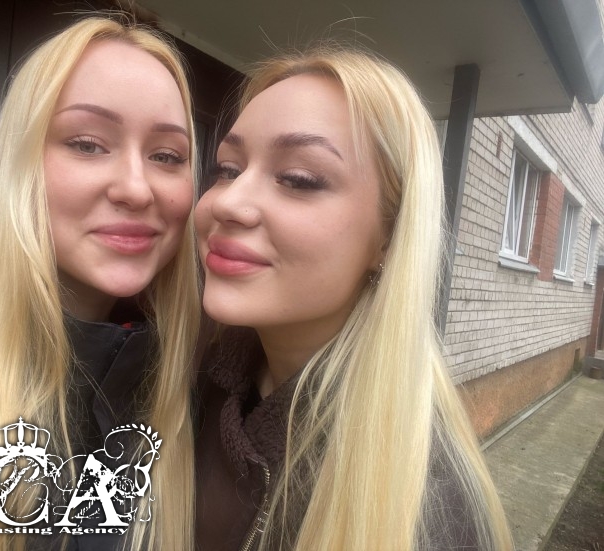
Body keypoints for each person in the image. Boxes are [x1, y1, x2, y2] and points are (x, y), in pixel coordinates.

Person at [0, 17, 199, 551]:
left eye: (167, 156)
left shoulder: (188, 377)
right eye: (88, 144)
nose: (138, 189)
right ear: (20, 159)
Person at [194, 47, 513, 550]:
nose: (227, 202)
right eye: (229, 169)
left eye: (298, 179)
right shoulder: (195, 385)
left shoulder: (430, 515)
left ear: (389, 237)